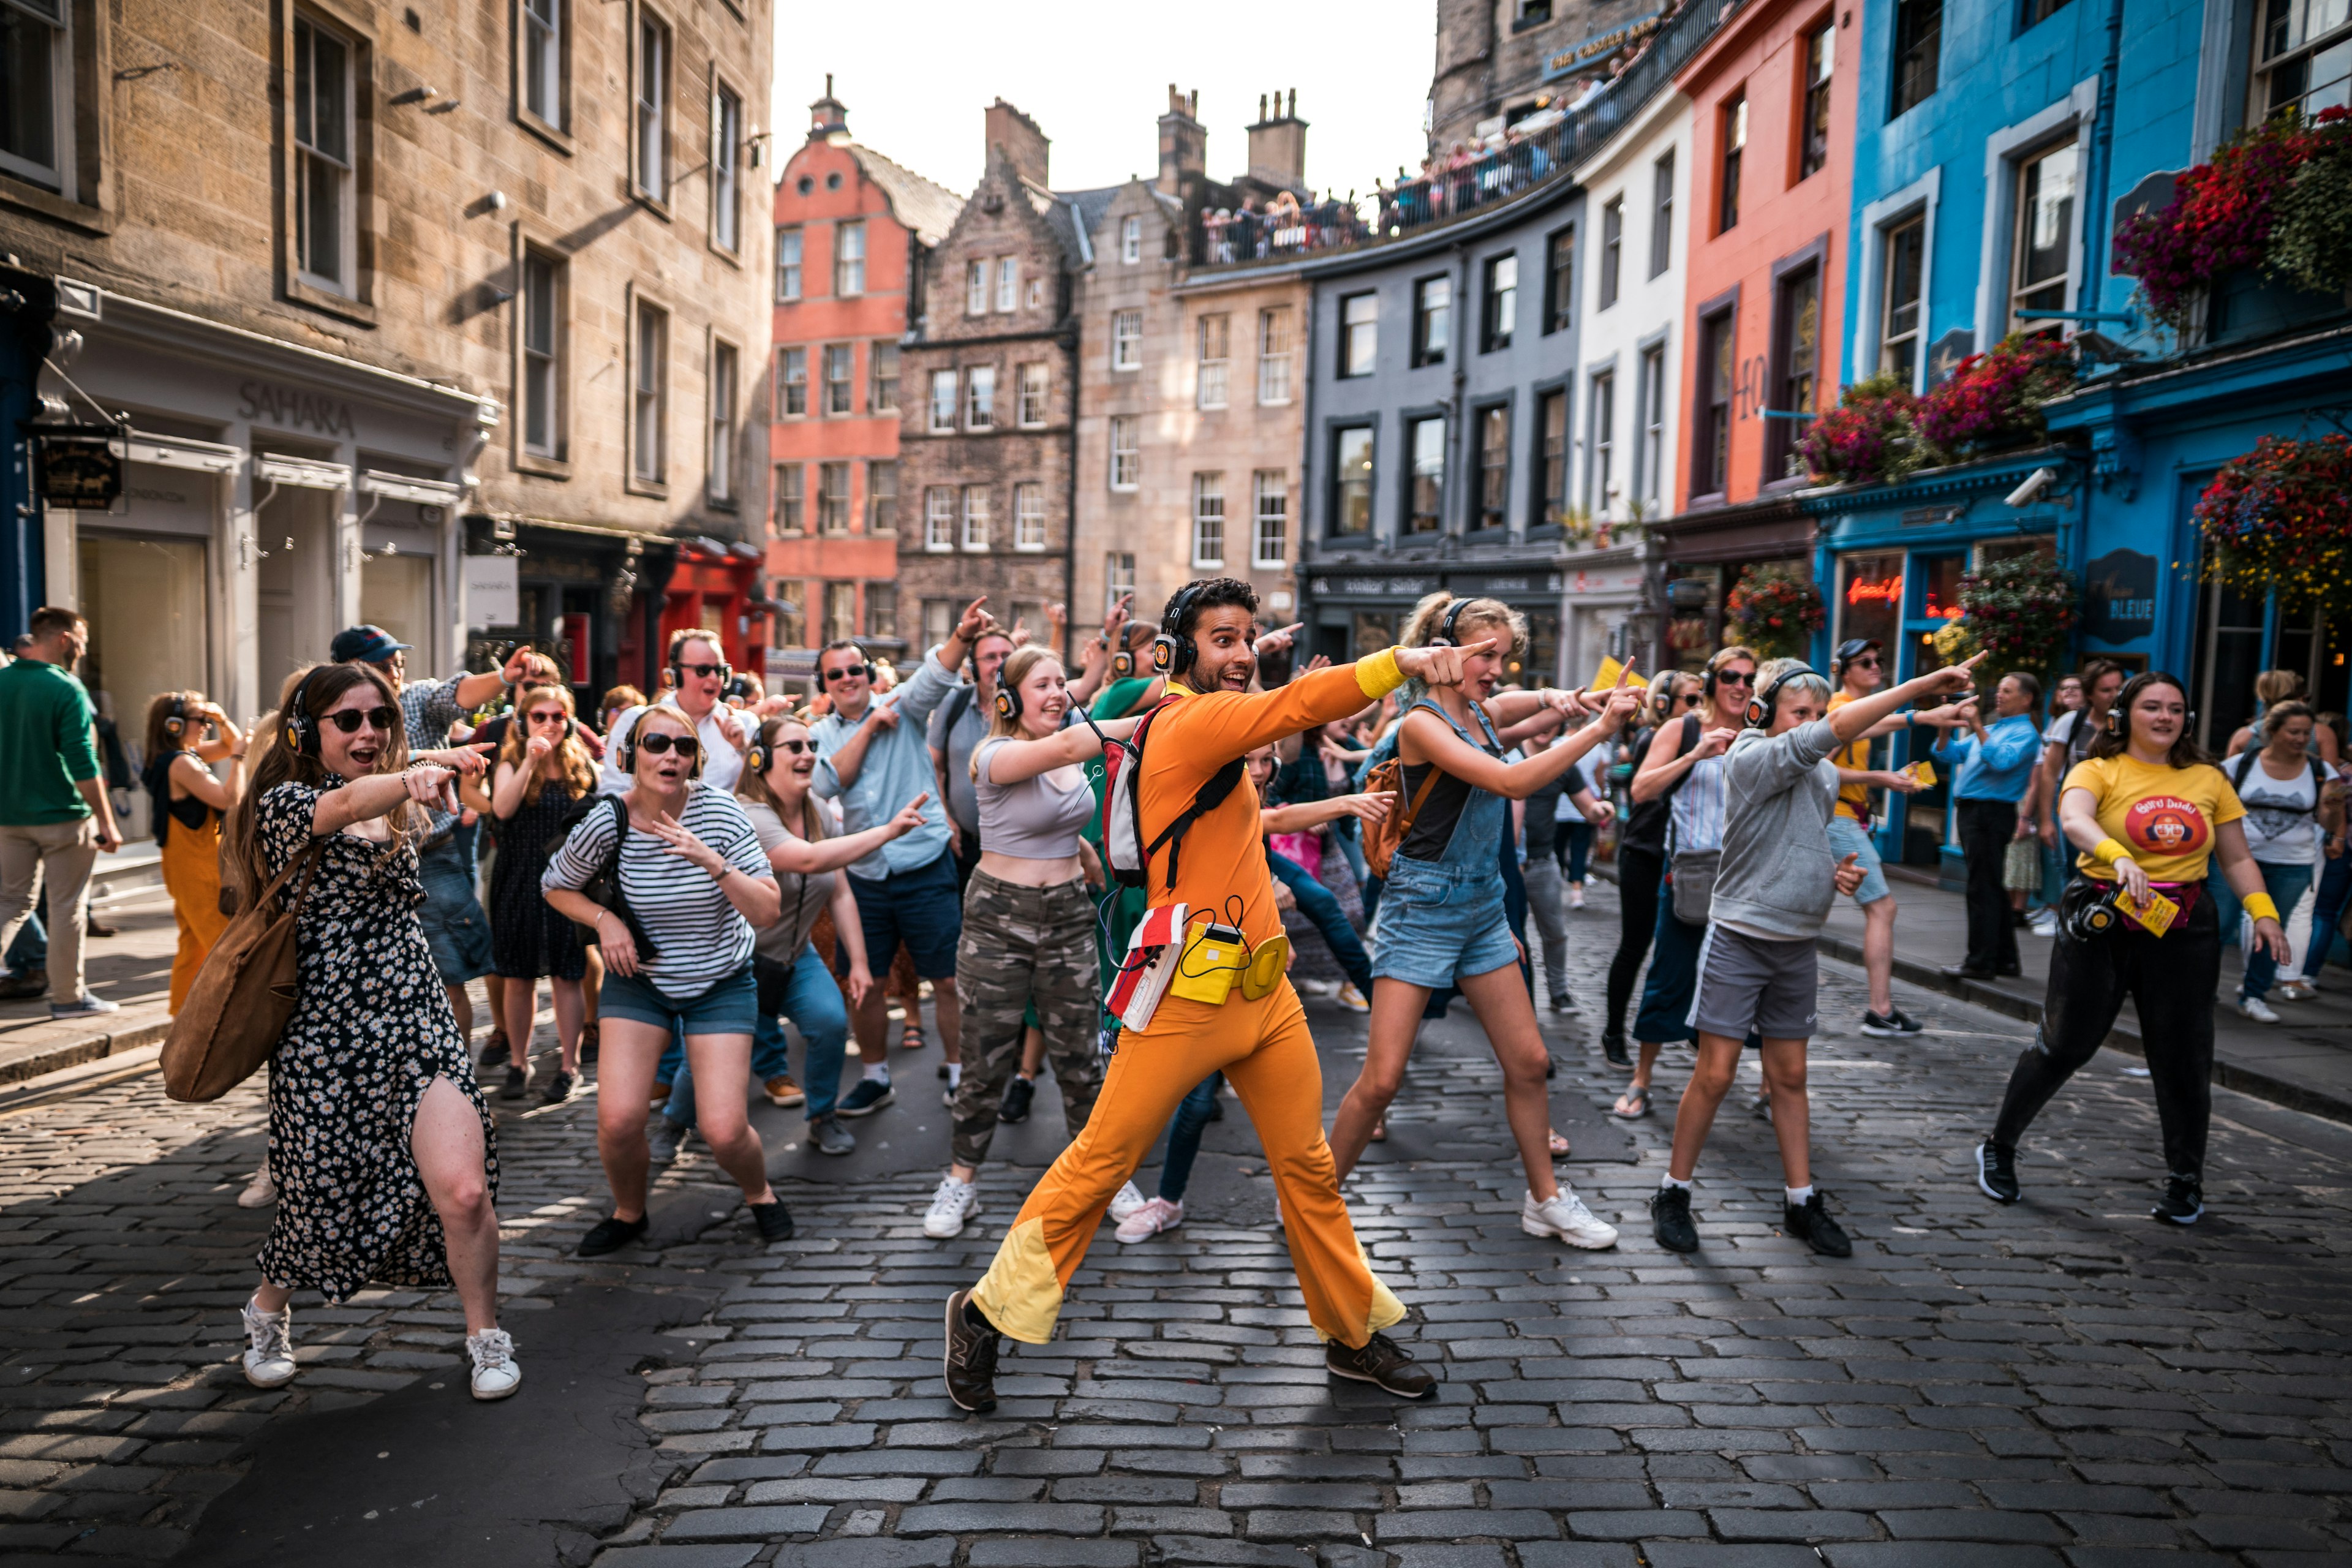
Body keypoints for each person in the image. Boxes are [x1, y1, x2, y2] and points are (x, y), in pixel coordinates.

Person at [942, 578, 1479, 1412]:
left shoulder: (1221, 732)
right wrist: (1398, 662)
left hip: (1263, 991)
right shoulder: (1188, 720)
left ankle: (1350, 1334)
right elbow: (1294, 707)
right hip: (1187, 994)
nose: (1241, 652)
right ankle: (983, 1314)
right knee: (1100, 1163)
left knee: (1308, 1168)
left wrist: (1327, 783)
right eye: (1223, 639)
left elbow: (1243, 808)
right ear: (1181, 652)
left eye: (1249, 636)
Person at [219, 662, 517, 1400]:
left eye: (379, 718)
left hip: (416, 1019)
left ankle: (486, 1338)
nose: (368, 732)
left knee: (465, 1189)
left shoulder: (400, 779)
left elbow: (379, 781)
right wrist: (418, 771)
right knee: (320, 1195)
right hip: (323, 1033)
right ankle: (265, 1314)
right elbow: (347, 800)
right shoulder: (281, 803)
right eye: (346, 720)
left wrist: (428, 763)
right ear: (305, 730)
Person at [1327, 591, 1637, 1251]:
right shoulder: (1421, 725)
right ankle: (1313, 1199)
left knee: (1529, 1061)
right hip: (1422, 910)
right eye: (1483, 655)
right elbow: (1509, 783)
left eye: (1503, 656)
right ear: (1442, 656)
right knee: (1381, 1079)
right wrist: (1598, 729)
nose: (1497, 669)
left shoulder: (1482, 713)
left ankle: (1545, 1199)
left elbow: (1517, 708)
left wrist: (1564, 697)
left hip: (1481, 908)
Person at [1650, 652, 1981, 1259]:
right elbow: (1832, 734)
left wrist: (1834, 874)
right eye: (1798, 712)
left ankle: (1801, 1201)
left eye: (1817, 713)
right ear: (1763, 713)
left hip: (1797, 942)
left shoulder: (1823, 775)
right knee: (1716, 1073)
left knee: (1791, 1077)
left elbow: (1796, 837)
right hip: (1741, 935)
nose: (1812, 722)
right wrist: (1919, 688)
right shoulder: (1749, 757)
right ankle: (1673, 1191)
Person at [1977, 671, 2288, 1225]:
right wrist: (2118, 856)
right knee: (2066, 1042)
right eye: (2152, 707)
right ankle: (1999, 1146)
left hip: (2184, 925)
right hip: (2103, 915)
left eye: (2175, 709)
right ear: (2124, 714)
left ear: (2186, 719)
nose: (2165, 717)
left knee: (2184, 1055)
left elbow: (2237, 858)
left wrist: (2264, 914)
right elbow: (2074, 818)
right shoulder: (2097, 769)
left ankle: (2186, 1181)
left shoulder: (2208, 779)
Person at [543, 703, 792, 1256]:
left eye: (683, 748)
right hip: (641, 981)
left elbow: (769, 911)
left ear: (695, 761)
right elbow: (556, 885)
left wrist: (712, 861)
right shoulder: (607, 820)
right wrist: (605, 920)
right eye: (657, 744)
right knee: (620, 1121)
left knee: (724, 1131)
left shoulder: (722, 814)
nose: (670, 756)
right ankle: (629, 1213)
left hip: (720, 980)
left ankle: (760, 1193)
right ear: (632, 756)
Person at [923, 646, 1150, 1240]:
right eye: (1042, 684)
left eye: (1061, 682)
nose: (1057, 693)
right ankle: (961, 1183)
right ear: (1009, 698)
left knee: (1082, 1059)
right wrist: (1165, 713)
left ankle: (1106, 1178)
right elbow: (1074, 748)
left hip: (1069, 914)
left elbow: (1057, 811)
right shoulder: (993, 753)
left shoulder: (1065, 741)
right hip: (1000, 917)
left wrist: (1081, 852)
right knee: (985, 1060)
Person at [810, 606, 989, 1110]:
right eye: (836, 673)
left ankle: (957, 1072)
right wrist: (869, 728)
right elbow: (827, 782)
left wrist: (961, 633)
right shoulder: (822, 736)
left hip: (924, 866)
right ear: (825, 684)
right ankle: (875, 1076)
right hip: (865, 875)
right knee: (865, 983)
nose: (848, 678)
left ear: (869, 674)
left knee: (948, 977)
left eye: (855, 670)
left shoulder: (903, 706)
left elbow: (936, 675)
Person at [726, 715, 927, 1156]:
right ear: (760, 760)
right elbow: (810, 861)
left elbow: (839, 891)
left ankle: (822, 1117)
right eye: (794, 747)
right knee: (716, 1051)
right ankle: (677, 1121)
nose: (807, 755)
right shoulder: (750, 814)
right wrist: (888, 831)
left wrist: (857, 961)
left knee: (830, 1023)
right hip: (740, 961)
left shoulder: (817, 810)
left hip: (796, 956)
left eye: (811, 745)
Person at [332, 625, 538, 1047]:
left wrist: (504, 678)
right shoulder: (334, 720)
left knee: (449, 977)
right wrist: (428, 756)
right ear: (352, 669)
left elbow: (457, 693)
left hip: (429, 856)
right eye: (384, 664)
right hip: (363, 866)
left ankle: (458, 1081)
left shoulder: (418, 698)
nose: (396, 670)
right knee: (374, 989)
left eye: (398, 662)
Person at [1616, 649, 1756, 1121]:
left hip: (1746, 876)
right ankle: (1642, 1079)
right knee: (1669, 974)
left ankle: (1744, 1082)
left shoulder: (1761, 733)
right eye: (1732, 677)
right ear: (1715, 681)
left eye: (1750, 679)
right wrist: (1697, 754)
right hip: (1691, 874)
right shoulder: (1684, 729)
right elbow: (1641, 789)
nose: (1741, 686)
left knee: (1746, 986)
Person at [0, 607, 124, 1018]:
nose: (85, 650)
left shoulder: (3, 681)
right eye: (83, 641)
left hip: (9, 818)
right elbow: (82, 760)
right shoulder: (66, 687)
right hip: (63, 817)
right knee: (66, 907)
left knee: (11, 902)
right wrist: (106, 821)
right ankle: (69, 999)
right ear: (66, 639)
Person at [488, 684, 597, 1102]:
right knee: (518, 976)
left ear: (568, 723)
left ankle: (569, 1066)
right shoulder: (511, 761)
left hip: (568, 885)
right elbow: (502, 809)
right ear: (524, 721)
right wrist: (531, 761)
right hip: (519, 880)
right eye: (540, 717)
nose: (549, 724)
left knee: (567, 975)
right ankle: (519, 1061)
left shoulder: (579, 766)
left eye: (557, 717)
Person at [1823, 638, 1926, 1036]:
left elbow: (1879, 721)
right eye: (1864, 661)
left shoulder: (1853, 710)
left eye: (1877, 659)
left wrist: (1924, 719)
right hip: (1839, 818)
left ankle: (1880, 1008)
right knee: (1882, 909)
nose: (1874, 665)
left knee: (1810, 911)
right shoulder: (1838, 709)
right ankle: (1879, 1010)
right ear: (1843, 670)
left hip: (1849, 817)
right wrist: (1881, 778)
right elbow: (1822, 769)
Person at [1599, 673, 1698, 1066]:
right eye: (1690, 699)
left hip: (1686, 859)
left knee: (1694, 950)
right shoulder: (1653, 739)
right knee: (1635, 945)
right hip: (1646, 853)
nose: (1698, 706)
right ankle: (1614, 1032)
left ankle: (1695, 1030)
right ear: (1664, 704)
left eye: (1701, 698)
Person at [2222, 701, 2342, 1022]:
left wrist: (2333, 809)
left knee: (2272, 931)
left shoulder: (2321, 772)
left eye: (2306, 733)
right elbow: (2213, 806)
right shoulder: (2239, 765)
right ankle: (2197, 990)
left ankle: (2254, 996)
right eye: (2293, 732)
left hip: (2291, 864)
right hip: (2235, 859)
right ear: (2272, 732)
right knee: (2218, 925)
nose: (2301, 739)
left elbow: (2329, 821)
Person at [1933, 671, 2045, 981]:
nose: (1999, 694)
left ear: (2027, 699)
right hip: (1975, 813)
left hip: (1990, 813)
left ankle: (1980, 961)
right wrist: (1946, 725)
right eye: (2000, 689)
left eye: (2008, 691)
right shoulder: (1998, 727)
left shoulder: (2026, 733)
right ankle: (2006, 961)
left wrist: (1979, 727)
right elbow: (1949, 754)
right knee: (1991, 887)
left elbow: (2002, 761)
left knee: (1981, 889)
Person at [140, 691, 246, 1012]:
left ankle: (181, 1020)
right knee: (223, 945)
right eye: (200, 721)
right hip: (195, 867)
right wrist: (239, 761)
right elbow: (230, 800)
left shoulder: (181, 756)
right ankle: (222, 1020)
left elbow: (230, 743)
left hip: (186, 862)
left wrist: (222, 719)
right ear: (173, 726)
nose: (205, 727)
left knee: (193, 944)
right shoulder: (182, 763)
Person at [1520, 725, 1612, 1010]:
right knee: (1507, 935)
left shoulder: (1562, 761)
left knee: (1555, 932)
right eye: (1539, 720)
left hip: (1542, 862)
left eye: (1551, 722)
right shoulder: (1508, 756)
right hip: (1506, 863)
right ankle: (1510, 996)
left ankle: (1559, 992)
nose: (1544, 727)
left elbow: (1588, 807)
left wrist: (1601, 810)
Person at [930, 625, 1020, 889]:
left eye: (1007, 656)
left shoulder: (1032, 707)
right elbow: (934, 766)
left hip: (1016, 850)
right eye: (990, 657)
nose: (1000, 664)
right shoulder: (953, 702)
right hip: (963, 847)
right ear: (973, 667)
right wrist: (944, 818)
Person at [2285, 710, 2352, 999]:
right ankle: (2304, 974)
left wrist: (2335, 834)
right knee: (2321, 911)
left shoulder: (2336, 774)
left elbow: (2334, 805)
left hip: (2334, 843)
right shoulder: (2339, 771)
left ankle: (2295, 973)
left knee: (2314, 910)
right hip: (2339, 845)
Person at [2225, 669, 2342, 764]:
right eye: (2307, 699)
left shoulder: (2243, 736)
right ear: (2299, 699)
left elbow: (2228, 782)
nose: (2301, 739)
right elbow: (2331, 782)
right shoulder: (2322, 734)